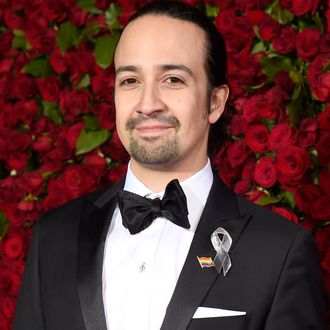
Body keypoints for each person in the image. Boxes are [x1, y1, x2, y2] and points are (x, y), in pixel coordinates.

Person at [14, 1, 327, 329]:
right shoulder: (54, 236)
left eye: (173, 79)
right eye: (131, 80)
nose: (147, 104)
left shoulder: (279, 251)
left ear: (216, 102)